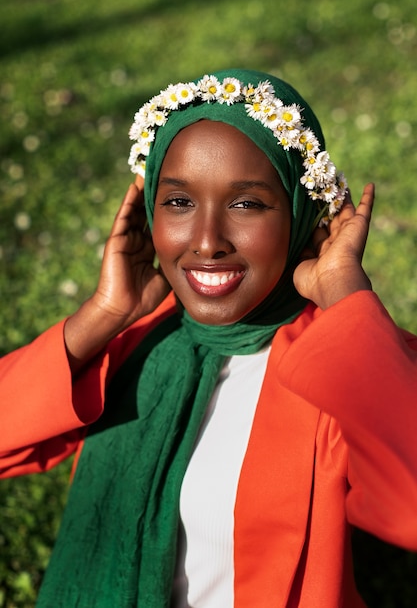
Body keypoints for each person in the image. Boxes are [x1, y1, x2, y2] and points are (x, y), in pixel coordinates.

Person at [1, 68, 417, 608]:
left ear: (299, 212)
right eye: (178, 202)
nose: (206, 241)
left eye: (246, 204)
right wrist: (104, 313)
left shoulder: (337, 360)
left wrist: (345, 299)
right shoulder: (142, 341)